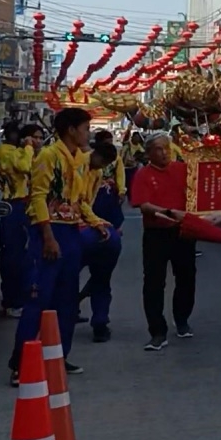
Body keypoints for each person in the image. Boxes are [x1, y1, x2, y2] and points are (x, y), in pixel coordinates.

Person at [8, 108, 113, 386]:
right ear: (71, 130)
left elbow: (78, 201)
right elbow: (39, 197)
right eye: (85, 128)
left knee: (66, 300)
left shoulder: (80, 159)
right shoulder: (48, 156)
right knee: (39, 299)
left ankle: (58, 355)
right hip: (49, 231)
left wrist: (94, 222)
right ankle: (21, 364)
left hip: (70, 232)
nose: (87, 133)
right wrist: (48, 235)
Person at [131, 133, 197, 351]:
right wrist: (167, 212)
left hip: (182, 232)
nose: (164, 152)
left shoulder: (183, 169)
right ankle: (157, 331)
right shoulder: (143, 174)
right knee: (153, 283)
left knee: (187, 277)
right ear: (149, 153)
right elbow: (143, 205)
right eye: (158, 149)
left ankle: (182, 319)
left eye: (167, 148)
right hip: (156, 234)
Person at [78, 140, 123, 342]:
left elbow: (85, 203)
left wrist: (96, 222)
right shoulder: (76, 165)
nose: (101, 167)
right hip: (77, 224)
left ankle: (99, 322)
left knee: (101, 280)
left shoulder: (96, 172)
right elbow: (78, 202)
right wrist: (96, 222)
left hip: (84, 225)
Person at [0, 122, 40, 316]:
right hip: (13, 205)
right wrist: (28, 148)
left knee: (28, 255)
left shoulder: (30, 152)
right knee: (13, 255)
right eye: (33, 137)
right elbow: (23, 166)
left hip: (29, 205)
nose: (36, 141)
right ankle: (12, 299)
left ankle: (26, 294)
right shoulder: (5, 151)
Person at [122, 130, 146, 200]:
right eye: (136, 137)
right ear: (132, 137)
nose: (137, 139)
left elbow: (143, 155)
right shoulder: (127, 145)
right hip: (125, 167)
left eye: (138, 138)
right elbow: (122, 155)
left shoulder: (139, 147)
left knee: (131, 182)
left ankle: (131, 197)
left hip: (133, 167)